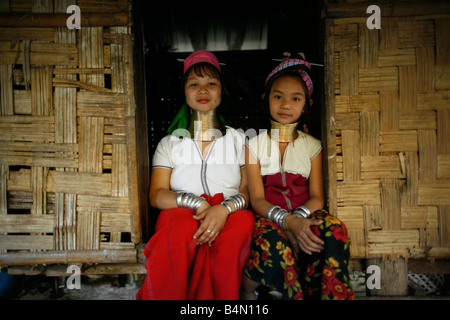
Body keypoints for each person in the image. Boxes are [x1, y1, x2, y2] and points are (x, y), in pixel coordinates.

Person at [136, 50, 254, 300]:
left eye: (211, 83)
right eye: (194, 84)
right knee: (177, 228)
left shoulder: (238, 139)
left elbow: (248, 189)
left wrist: (223, 209)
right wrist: (196, 202)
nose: (203, 90)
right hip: (182, 214)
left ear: (221, 91)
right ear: (185, 92)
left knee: (242, 223)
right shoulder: (169, 143)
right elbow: (157, 195)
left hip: (229, 213)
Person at [240, 55, 355, 300]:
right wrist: (287, 223)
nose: (285, 104)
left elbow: (316, 197)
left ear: (307, 104)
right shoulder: (253, 146)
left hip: (307, 214)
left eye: (295, 98)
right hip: (268, 218)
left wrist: (299, 221)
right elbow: (257, 200)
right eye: (277, 96)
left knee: (334, 230)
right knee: (275, 244)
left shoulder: (313, 146)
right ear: (266, 100)